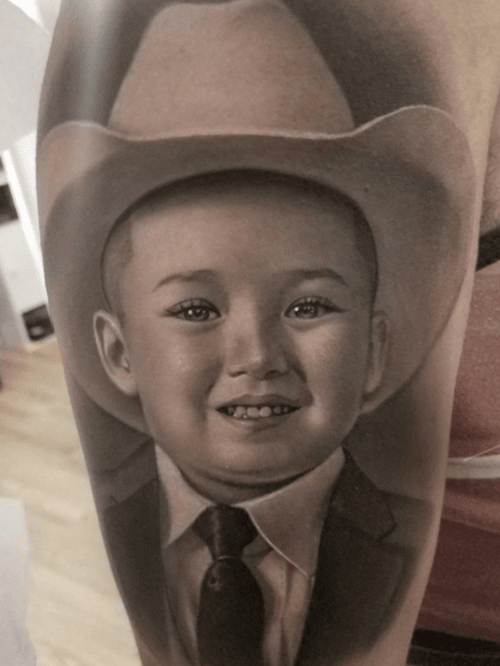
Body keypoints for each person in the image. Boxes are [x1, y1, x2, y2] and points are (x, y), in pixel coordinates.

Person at [37, 0, 489, 665]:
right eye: (196, 311)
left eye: (308, 307)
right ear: (117, 349)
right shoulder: (132, 520)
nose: (256, 358)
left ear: (374, 348)